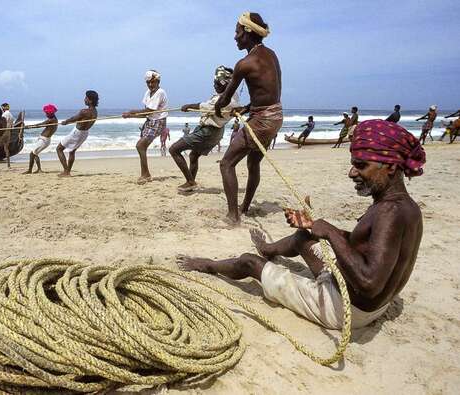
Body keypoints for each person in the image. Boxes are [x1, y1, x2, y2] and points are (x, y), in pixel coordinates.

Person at [178, 119, 425, 330]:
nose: (351, 172)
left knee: (248, 262)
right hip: (369, 304)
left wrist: (328, 231)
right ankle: (268, 250)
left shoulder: (389, 211)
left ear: (390, 166)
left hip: (345, 309)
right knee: (302, 238)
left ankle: (209, 266)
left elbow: (369, 284)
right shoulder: (406, 207)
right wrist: (315, 226)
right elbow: (368, 246)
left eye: (361, 165)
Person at [214, 12, 283, 224]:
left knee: (226, 163)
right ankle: (244, 208)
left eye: (237, 31)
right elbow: (268, 91)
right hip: (275, 116)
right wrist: (248, 107)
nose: (235, 37)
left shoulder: (245, 63)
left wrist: (217, 107)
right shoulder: (271, 54)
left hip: (262, 120)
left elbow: (225, 97)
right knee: (253, 164)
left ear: (248, 31)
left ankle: (233, 216)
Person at [169, 66, 241, 192]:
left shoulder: (226, 99)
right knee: (193, 155)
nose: (215, 86)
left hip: (209, 131)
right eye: (214, 83)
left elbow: (206, 107)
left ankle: (190, 181)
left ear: (225, 84)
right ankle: (190, 183)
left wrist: (188, 106)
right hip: (212, 130)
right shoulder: (230, 95)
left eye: (217, 83)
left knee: (174, 149)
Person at [123, 70, 168, 184]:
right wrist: (130, 115)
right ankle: (145, 173)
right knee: (141, 147)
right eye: (148, 83)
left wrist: (131, 113)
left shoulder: (160, 92)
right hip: (150, 121)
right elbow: (146, 113)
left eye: (153, 82)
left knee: (140, 145)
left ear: (158, 81)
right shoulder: (148, 92)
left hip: (158, 122)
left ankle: (146, 174)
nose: (150, 85)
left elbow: (147, 111)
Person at [56, 90, 99, 177]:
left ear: (90, 100)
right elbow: (79, 119)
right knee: (72, 151)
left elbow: (74, 118)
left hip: (77, 133)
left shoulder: (84, 111)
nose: (84, 99)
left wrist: (65, 122)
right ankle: (67, 171)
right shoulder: (95, 111)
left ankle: (66, 171)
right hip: (85, 133)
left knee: (59, 149)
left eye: (86, 98)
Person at [23, 104, 58, 174]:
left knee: (33, 153)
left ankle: (34, 170)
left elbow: (39, 125)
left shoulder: (52, 120)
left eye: (47, 113)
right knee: (34, 153)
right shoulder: (53, 119)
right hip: (44, 139)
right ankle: (35, 169)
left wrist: (29, 127)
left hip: (44, 140)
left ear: (51, 113)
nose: (46, 115)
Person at [0, 103, 14, 168]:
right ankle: (8, 165)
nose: (2, 109)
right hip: (8, 132)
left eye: (2, 108)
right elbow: (12, 126)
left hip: (3, 132)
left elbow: (2, 123)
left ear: (4, 108)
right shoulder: (11, 115)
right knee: (6, 148)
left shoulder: (4, 114)